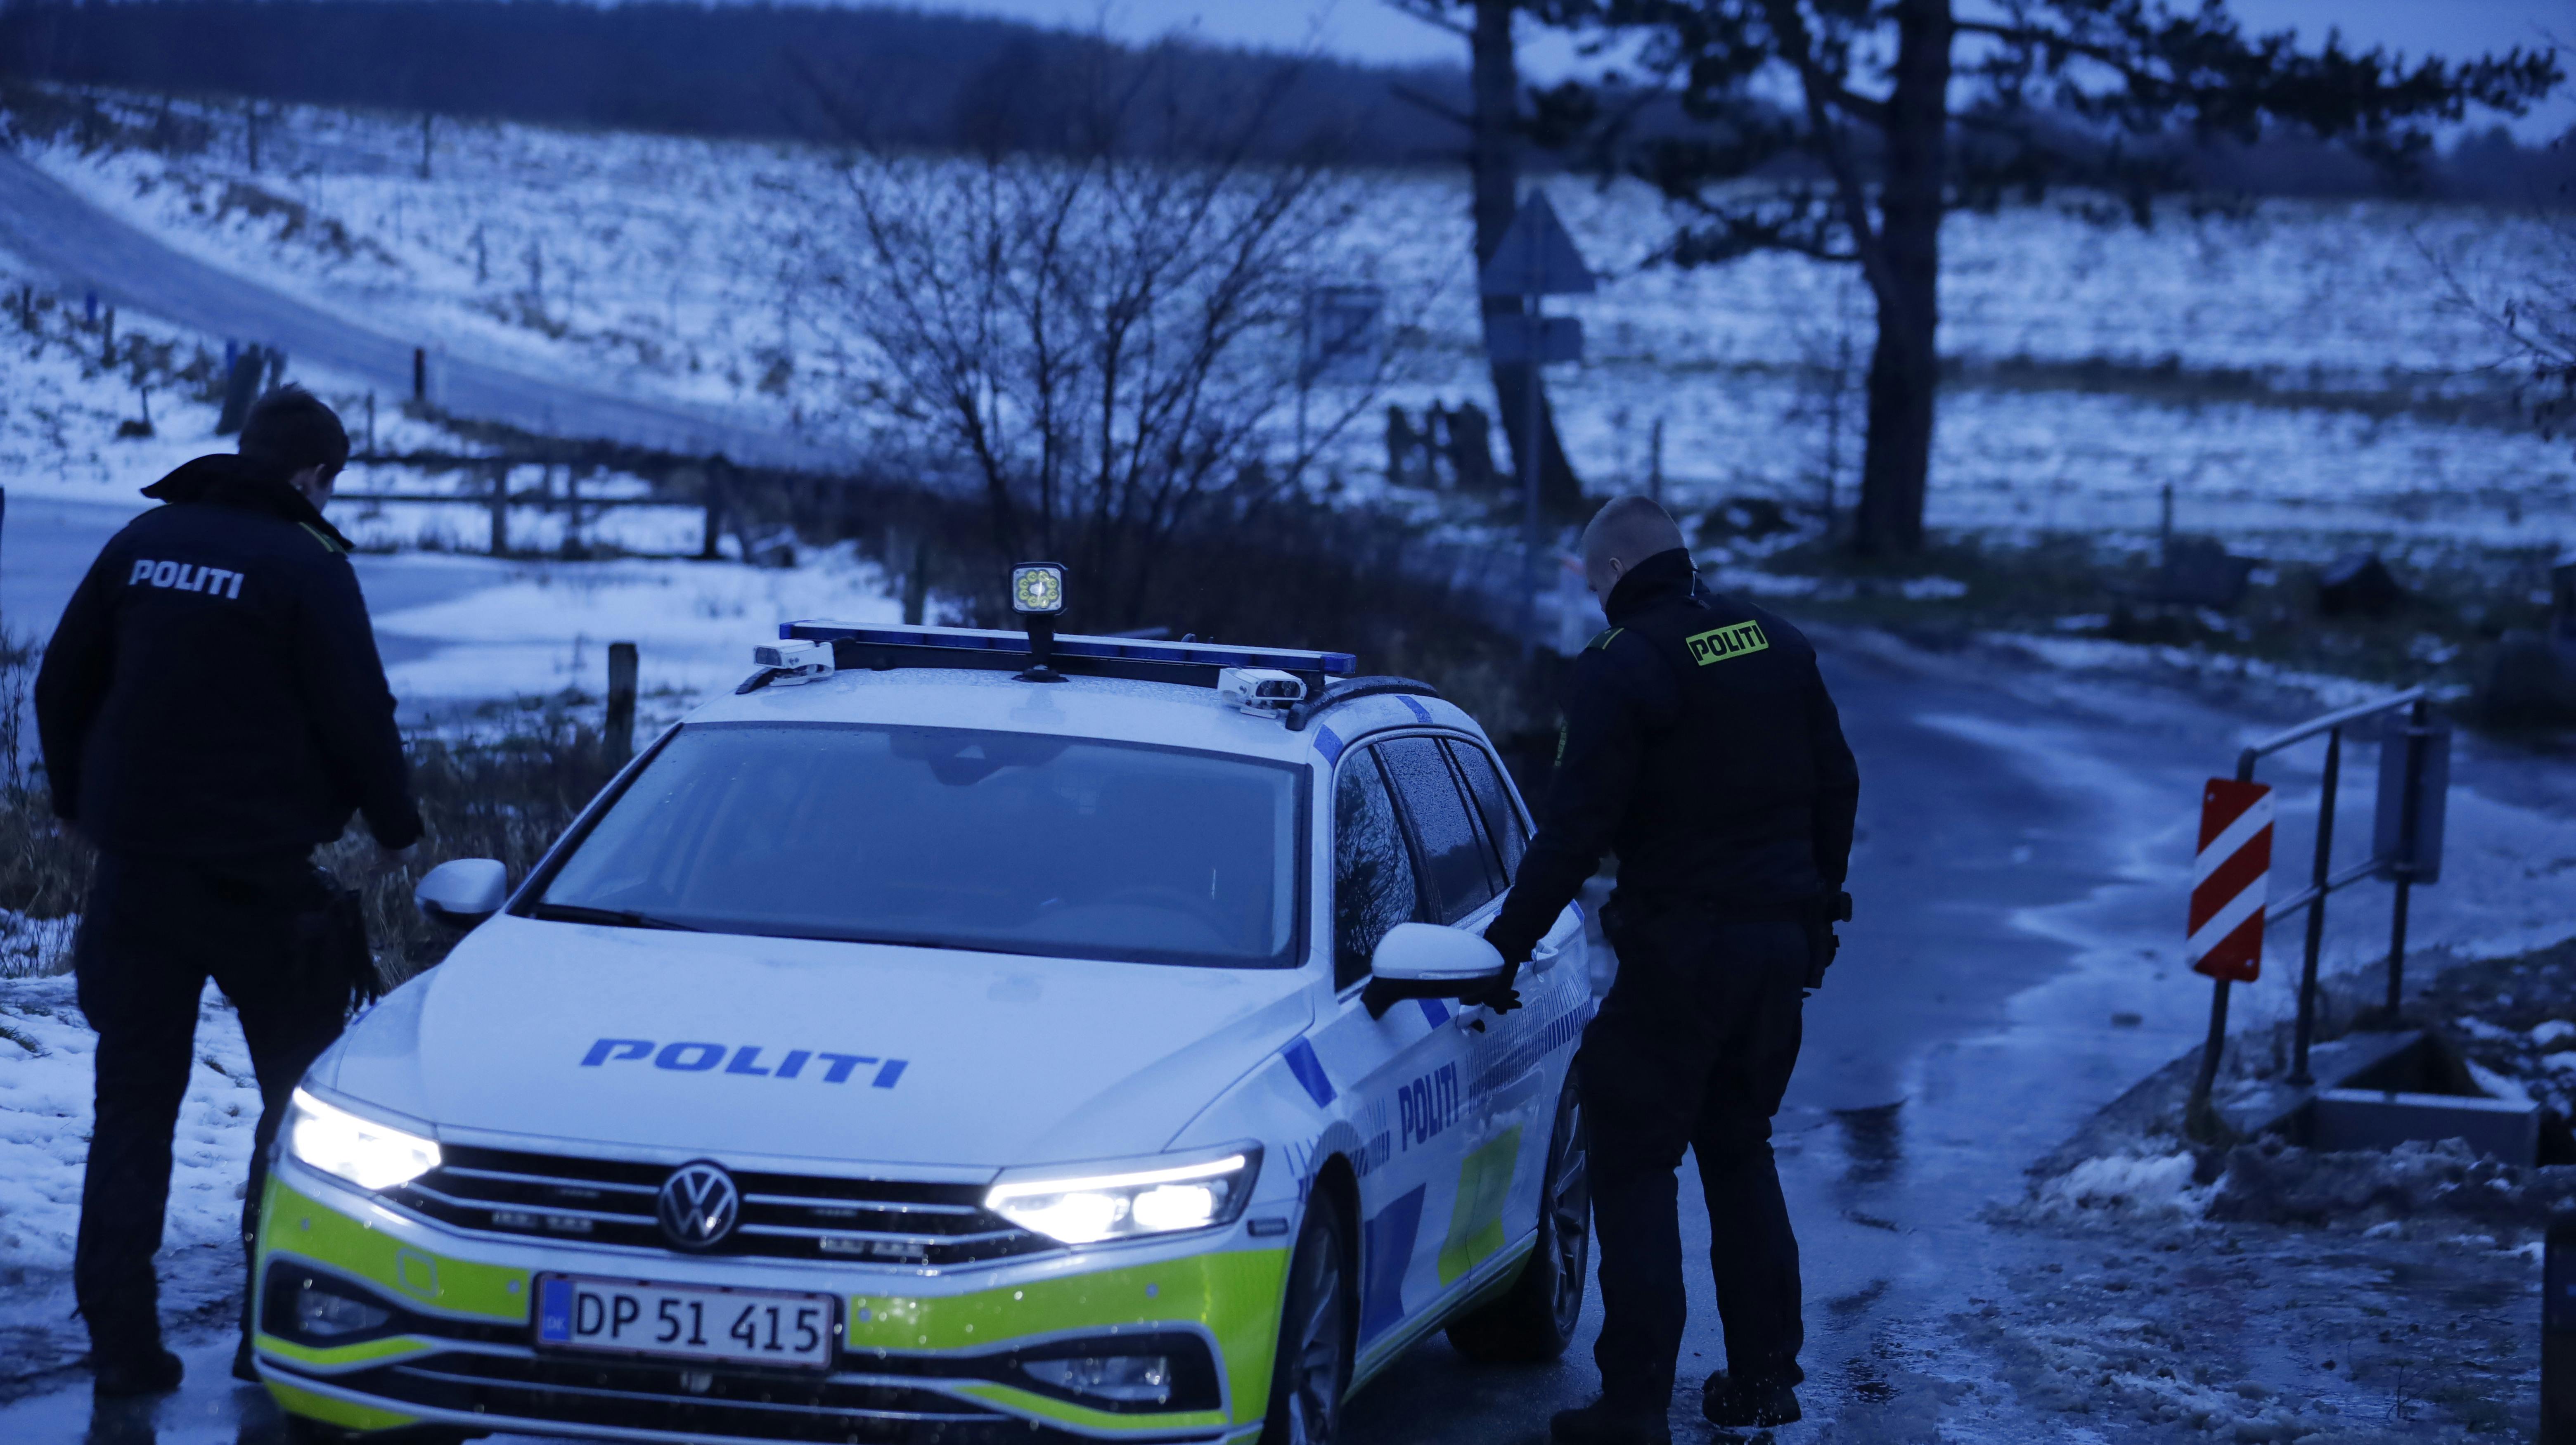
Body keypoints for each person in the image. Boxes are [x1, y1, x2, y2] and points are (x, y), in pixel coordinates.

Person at [36, 386, 423, 1397]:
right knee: (297, 1106)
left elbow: (59, 680)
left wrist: (78, 804)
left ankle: (121, 1341)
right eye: (331, 476)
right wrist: (394, 829)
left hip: (138, 879)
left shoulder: (143, 542)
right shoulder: (310, 564)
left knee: (133, 1106)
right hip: (266, 888)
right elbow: (360, 712)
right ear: (312, 473)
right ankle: (271, 1331)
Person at [1481, 495, 1859, 1445]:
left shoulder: (1625, 667)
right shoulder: (1777, 642)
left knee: (1636, 1155)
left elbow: (1573, 832)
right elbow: (1839, 783)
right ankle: (1766, 1377)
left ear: (1609, 573)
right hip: (1777, 947)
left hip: (1683, 951)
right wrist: (1814, 910)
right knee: (1740, 1147)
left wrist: (1502, 948)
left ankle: (1636, 1402)